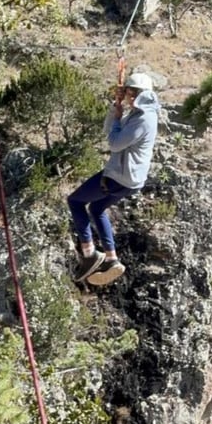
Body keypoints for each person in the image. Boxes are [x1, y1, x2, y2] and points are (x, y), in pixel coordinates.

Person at [67, 72, 160, 286]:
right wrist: (114, 111)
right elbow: (109, 132)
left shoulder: (143, 119)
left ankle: (89, 253)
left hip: (119, 176)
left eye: (130, 92)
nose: (128, 96)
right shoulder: (140, 114)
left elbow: (115, 144)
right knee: (97, 209)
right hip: (131, 181)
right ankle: (111, 258)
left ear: (138, 94)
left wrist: (118, 118)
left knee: (76, 201)